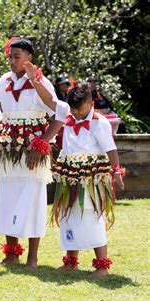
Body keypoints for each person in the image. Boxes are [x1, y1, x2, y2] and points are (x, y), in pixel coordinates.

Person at [0, 37, 68, 268]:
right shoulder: (5, 80)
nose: (11, 61)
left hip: (33, 147)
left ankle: (32, 257)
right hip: (8, 145)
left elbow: (58, 110)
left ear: (29, 58)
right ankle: (11, 252)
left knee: (32, 197)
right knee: (8, 196)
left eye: (16, 56)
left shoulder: (42, 82)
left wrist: (42, 143)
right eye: (9, 56)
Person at [51, 82, 125, 277]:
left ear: (91, 104)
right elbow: (66, 147)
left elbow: (111, 150)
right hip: (70, 177)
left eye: (80, 108)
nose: (75, 112)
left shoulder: (100, 123)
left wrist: (116, 171)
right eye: (73, 108)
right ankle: (71, 261)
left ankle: (102, 266)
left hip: (92, 179)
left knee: (92, 216)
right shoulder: (68, 120)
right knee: (69, 216)